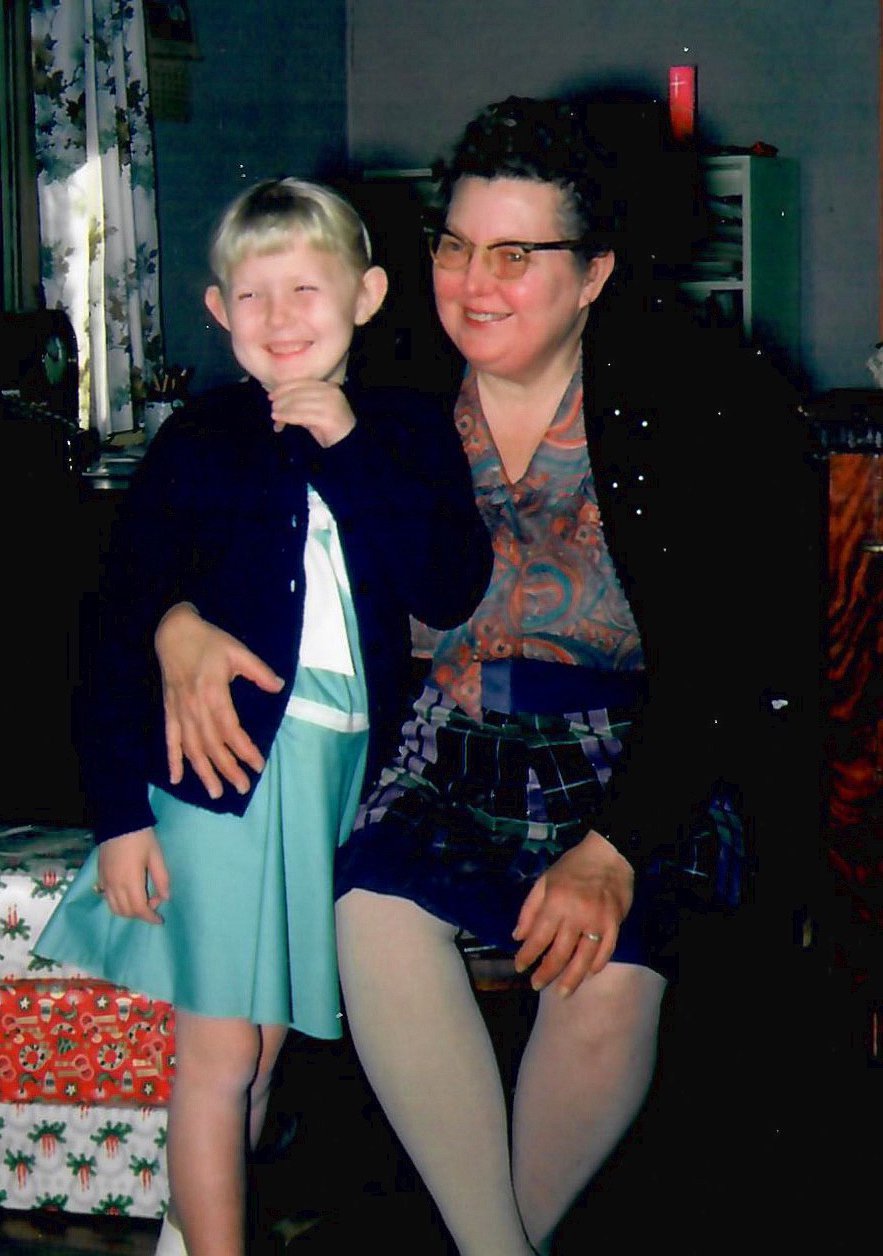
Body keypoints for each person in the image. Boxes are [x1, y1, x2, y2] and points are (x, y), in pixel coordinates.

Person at [148, 97, 820, 1254]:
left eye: (517, 253)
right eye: (455, 245)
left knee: (607, 972)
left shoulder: (704, 396)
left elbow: (733, 662)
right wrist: (175, 621)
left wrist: (611, 851)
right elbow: (214, 518)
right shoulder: (387, 375)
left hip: (638, 753)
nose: (473, 280)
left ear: (595, 270)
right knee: (372, 906)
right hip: (445, 743)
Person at [34, 177, 492, 1256]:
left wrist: (351, 449)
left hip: (334, 771)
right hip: (217, 773)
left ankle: (192, 1239)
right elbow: (115, 619)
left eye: (306, 289)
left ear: (368, 295)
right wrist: (119, 815)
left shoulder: (405, 430)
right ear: (215, 309)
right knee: (220, 1051)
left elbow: (447, 584)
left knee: (266, 1043)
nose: (280, 319)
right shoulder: (202, 438)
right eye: (253, 296)